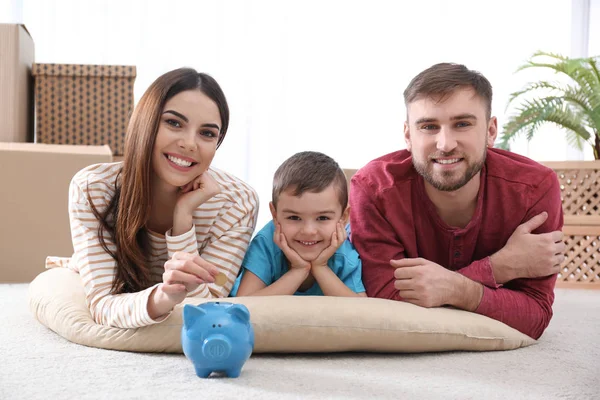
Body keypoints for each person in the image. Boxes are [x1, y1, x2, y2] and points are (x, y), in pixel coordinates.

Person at [349, 63, 565, 339]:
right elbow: (386, 303)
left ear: (490, 131)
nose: (445, 144)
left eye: (462, 124)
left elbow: (534, 317)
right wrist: (498, 268)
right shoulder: (373, 188)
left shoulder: (535, 188)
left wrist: (452, 286)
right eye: (428, 126)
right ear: (408, 136)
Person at [46, 68, 259, 328]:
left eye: (207, 133)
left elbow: (209, 309)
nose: (190, 143)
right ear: (145, 122)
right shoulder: (94, 187)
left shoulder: (237, 202)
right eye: (174, 123)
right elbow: (103, 305)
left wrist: (183, 219)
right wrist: (164, 295)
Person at [231, 151, 366, 297]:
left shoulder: (344, 252)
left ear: (343, 217)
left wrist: (321, 267)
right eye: (294, 217)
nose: (308, 231)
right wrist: (299, 270)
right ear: (275, 215)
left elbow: (363, 312)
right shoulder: (266, 242)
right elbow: (245, 304)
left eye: (322, 218)